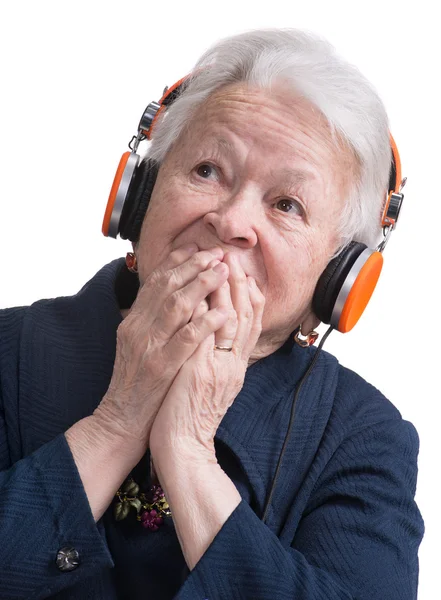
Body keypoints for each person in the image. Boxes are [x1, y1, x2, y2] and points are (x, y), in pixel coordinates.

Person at [0, 28, 424, 600]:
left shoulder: (363, 437)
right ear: (140, 195)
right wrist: (118, 423)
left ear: (337, 277)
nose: (231, 222)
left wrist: (190, 456)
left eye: (286, 205)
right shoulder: (10, 349)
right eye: (207, 171)